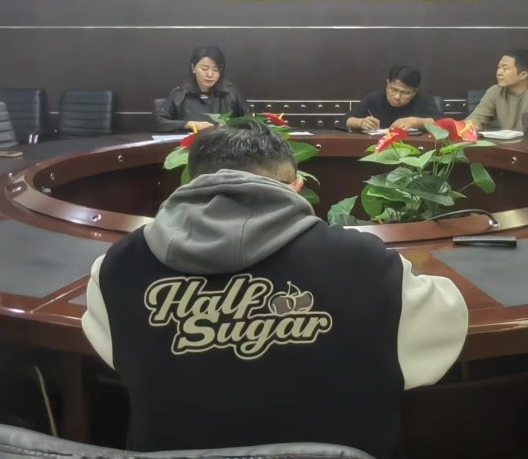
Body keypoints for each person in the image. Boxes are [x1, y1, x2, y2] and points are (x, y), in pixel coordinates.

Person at [81, 123, 467, 457]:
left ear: (192, 183)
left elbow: (118, 355)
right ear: (297, 187)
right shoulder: (368, 264)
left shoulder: (117, 269)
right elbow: (441, 334)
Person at [464, 49, 528, 140]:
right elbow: (477, 118)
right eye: (499, 67)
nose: (499, 72)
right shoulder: (494, 91)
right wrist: (471, 125)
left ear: (523, 75)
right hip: (505, 148)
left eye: (505, 68)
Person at [155, 46, 251, 133]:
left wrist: (230, 125)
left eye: (216, 70)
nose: (210, 74)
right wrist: (188, 124)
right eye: (205, 69)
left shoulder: (230, 93)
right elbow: (158, 122)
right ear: (193, 67)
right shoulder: (179, 95)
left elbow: (250, 120)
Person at [345, 65, 442, 132]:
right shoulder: (374, 99)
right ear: (388, 83)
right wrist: (360, 123)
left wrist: (415, 122)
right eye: (393, 89)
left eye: (405, 93)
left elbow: (441, 123)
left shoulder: (424, 100)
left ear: (415, 91)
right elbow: (346, 119)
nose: (397, 96)